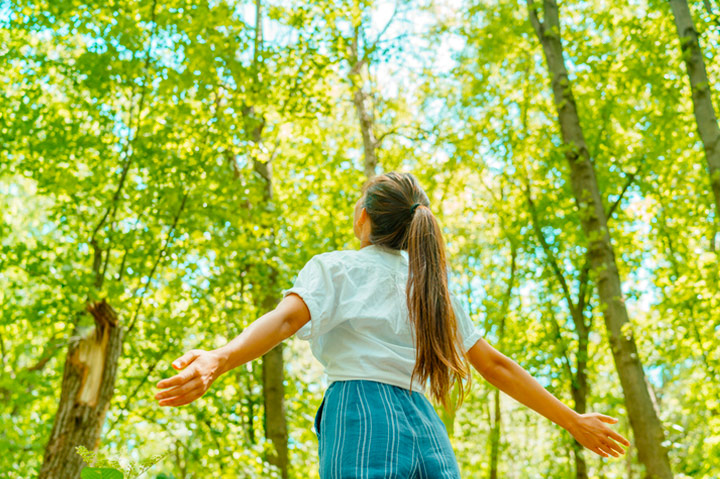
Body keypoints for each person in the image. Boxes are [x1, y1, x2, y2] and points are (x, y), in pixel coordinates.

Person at [155, 172, 630, 478]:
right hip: (425, 425)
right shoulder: (433, 288)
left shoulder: (337, 267)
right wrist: (573, 420)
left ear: (364, 217)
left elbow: (282, 322)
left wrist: (219, 357)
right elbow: (496, 365)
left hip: (360, 412)